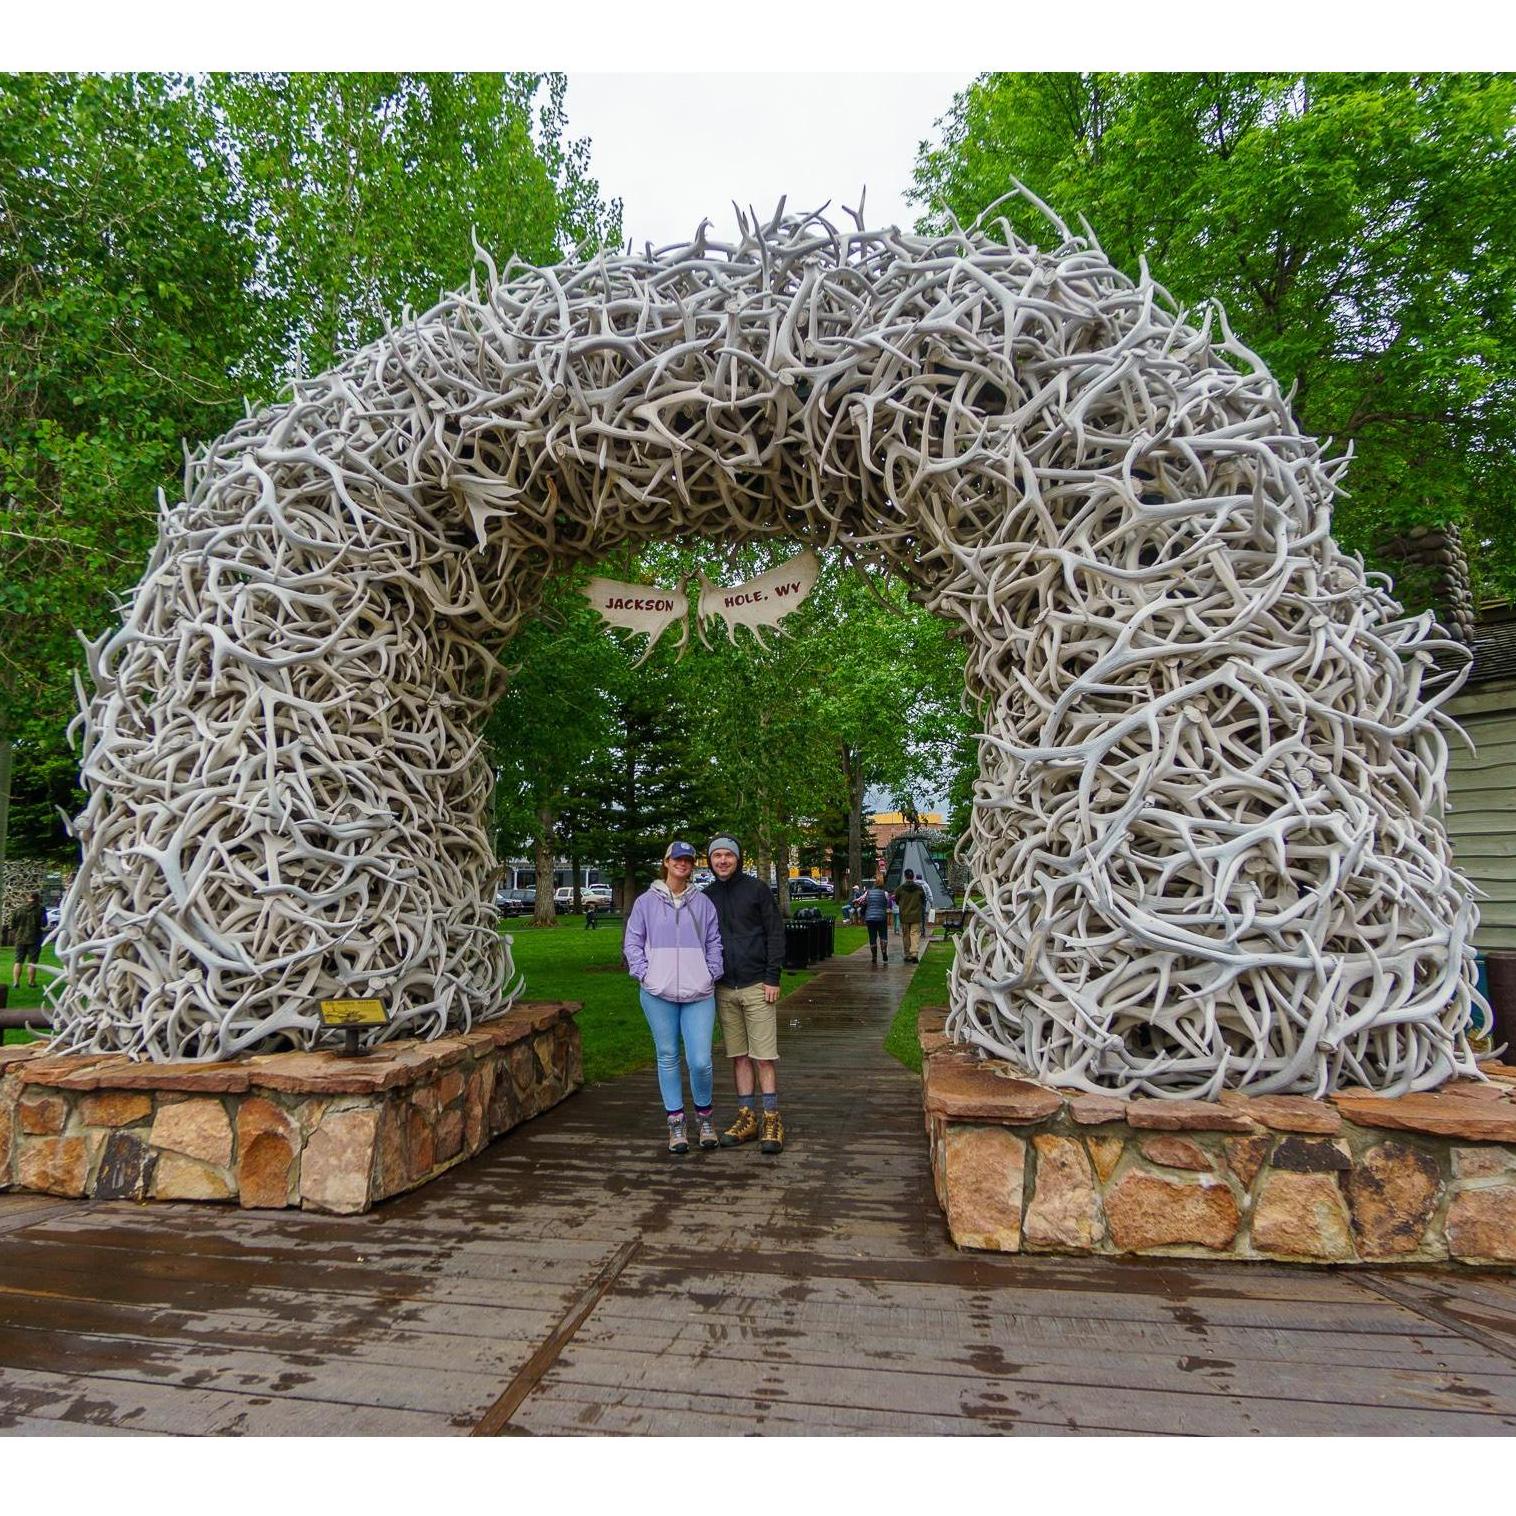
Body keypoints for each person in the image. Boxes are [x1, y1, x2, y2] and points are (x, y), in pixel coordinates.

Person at [623, 840, 725, 1155]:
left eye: (688, 860)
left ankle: (705, 1118)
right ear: (666, 862)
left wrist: (711, 972)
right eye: (677, 859)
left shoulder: (704, 903)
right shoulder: (645, 903)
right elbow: (633, 942)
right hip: (658, 993)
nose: (683, 864)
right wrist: (644, 973)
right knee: (667, 1056)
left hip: (698, 992)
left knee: (700, 1061)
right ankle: (676, 1123)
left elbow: (714, 941)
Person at [703, 834, 787, 1156]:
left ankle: (771, 1116)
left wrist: (772, 976)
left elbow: (775, 932)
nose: (722, 861)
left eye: (728, 855)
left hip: (757, 985)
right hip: (724, 988)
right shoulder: (706, 896)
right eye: (716, 856)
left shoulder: (756, 890)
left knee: (763, 1056)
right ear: (710, 861)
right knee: (738, 1056)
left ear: (738, 859)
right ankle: (746, 1115)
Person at [8, 891, 45, 989]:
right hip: (35, 938)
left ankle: (16, 982)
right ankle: (31, 982)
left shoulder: (18, 910)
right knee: (32, 962)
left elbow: (13, 925)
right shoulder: (41, 909)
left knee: (18, 961)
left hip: (20, 938)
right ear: (37, 899)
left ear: (28, 898)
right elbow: (44, 923)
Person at [896, 868, 928, 963]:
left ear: (905, 877)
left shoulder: (900, 889)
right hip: (916, 915)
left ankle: (907, 954)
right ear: (913, 876)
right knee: (915, 934)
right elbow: (923, 899)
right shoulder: (919, 888)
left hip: (904, 915)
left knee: (906, 935)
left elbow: (897, 900)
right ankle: (914, 953)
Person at [860, 877, 892, 965]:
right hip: (881, 917)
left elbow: (863, 902)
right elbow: (889, 904)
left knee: (872, 937)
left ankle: (874, 956)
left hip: (870, 917)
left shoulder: (868, 892)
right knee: (883, 935)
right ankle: (884, 952)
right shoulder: (885, 893)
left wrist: (863, 913)